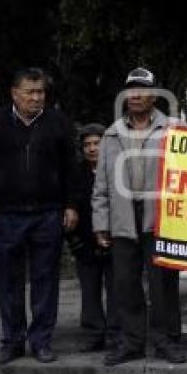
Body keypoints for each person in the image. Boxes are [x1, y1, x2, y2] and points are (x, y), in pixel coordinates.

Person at [0, 67, 80, 364]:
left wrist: (71, 205)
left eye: (41, 92)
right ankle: (12, 340)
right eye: (30, 92)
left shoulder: (57, 122)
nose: (36, 97)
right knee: (8, 281)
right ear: (14, 94)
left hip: (48, 214)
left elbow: (71, 167)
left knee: (46, 280)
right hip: (7, 216)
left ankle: (41, 341)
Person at [93, 67, 186, 366]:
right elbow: (102, 184)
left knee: (163, 285)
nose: (135, 95)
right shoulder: (111, 133)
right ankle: (131, 342)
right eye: (130, 89)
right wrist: (100, 223)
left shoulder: (174, 128)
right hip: (122, 217)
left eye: (141, 89)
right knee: (125, 283)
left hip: (161, 217)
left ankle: (166, 341)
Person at [67, 123, 118, 352]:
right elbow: (69, 206)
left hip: (115, 239)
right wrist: (74, 240)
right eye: (87, 144)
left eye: (96, 143)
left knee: (118, 289)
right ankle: (93, 333)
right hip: (85, 242)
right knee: (89, 289)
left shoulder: (118, 170)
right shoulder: (75, 174)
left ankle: (117, 334)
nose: (92, 149)